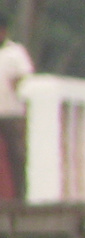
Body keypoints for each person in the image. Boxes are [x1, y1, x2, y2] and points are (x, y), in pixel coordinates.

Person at [0, 13, 35, 201]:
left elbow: (25, 77)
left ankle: (20, 197)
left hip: (12, 113)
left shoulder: (15, 53)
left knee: (16, 156)